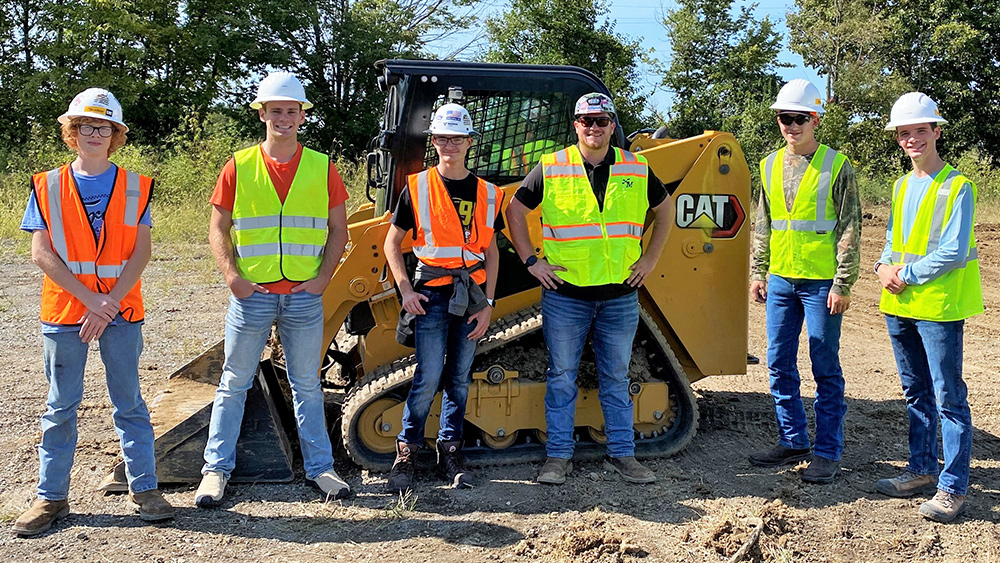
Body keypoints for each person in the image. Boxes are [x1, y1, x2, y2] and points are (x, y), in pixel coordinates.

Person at [14, 88, 174, 537]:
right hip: (68, 311)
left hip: (120, 311)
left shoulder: (136, 186)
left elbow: (140, 253)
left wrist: (108, 305)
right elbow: (41, 253)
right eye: (85, 125)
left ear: (115, 134)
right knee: (60, 406)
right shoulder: (46, 185)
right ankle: (51, 498)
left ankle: (144, 490)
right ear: (72, 132)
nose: (94, 134)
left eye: (103, 127)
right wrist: (93, 301)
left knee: (130, 404)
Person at [196, 72, 350, 506]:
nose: (284, 117)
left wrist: (322, 279)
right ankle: (215, 471)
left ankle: (321, 470)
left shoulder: (322, 167)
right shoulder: (239, 165)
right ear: (262, 114)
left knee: (307, 384)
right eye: (276, 110)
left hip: (304, 295)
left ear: (302, 116)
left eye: (291, 110)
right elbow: (218, 227)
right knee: (233, 382)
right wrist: (232, 277)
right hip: (252, 295)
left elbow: (338, 229)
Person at [506, 92, 673, 485]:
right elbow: (514, 210)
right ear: (575, 125)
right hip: (567, 296)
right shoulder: (553, 167)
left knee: (616, 378)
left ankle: (622, 455)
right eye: (586, 121)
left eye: (601, 121)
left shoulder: (636, 166)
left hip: (618, 296)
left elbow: (664, 210)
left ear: (612, 125)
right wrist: (532, 261)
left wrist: (649, 260)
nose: (594, 127)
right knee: (561, 376)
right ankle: (558, 458)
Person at [873, 92, 982, 523]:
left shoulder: (959, 186)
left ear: (936, 131)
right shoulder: (902, 186)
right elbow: (890, 239)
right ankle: (921, 471)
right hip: (898, 303)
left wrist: (906, 275)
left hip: (937, 305)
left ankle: (952, 488)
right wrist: (883, 266)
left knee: (948, 398)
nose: (912, 138)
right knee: (915, 393)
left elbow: (954, 251)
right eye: (905, 132)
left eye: (921, 130)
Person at [383, 103, 502, 492]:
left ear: (470, 142)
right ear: (433, 142)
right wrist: (404, 290)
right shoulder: (416, 187)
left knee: (460, 380)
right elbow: (392, 244)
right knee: (428, 376)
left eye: (456, 138)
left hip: (470, 299)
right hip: (431, 296)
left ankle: (450, 451)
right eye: (441, 138)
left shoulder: (488, 193)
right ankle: (408, 451)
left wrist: (489, 303)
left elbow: (493, 250)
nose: (448, 144)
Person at [747, 79, 861, 484]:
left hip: (820, 283)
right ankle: (793, 439)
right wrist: (758, 272)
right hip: (780, 279)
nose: (791, 125)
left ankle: (828, 453)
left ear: (816, 119)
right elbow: (764, 223)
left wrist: (842, 283)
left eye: (800, 118)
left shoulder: (837, 164)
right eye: (785, 118)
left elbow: (850, 227)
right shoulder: (768, 165)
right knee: (778, 363)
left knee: (824, 366)